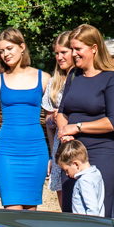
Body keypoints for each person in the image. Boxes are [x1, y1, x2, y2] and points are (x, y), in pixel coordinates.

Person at [54, 25, 114, 216]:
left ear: (94, 48)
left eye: (78, 49)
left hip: (100, 154)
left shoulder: (112, 78)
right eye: (72, 49)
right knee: (71, 212)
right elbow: (62, 111)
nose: (74, 54)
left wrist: (77, 128)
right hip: (71, 154)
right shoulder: (73, 75)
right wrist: (64, 133)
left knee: (95, 213)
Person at [0, 29, 48, 209]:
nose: (5, 54)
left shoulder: (44, 78)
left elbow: (52, 121)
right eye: (1, 51)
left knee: (30, 215)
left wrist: (54, 156)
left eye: (9, 48)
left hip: (36, 152)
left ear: (22, 47)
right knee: (12, 213)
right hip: (7, 152)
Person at [42, 30, 77, 195]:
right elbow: (47, 122)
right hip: (59, 146)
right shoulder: (53, 82)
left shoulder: (83, 79)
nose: (59, 57)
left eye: (64, 52)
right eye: (56, 53)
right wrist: (53, 119)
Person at [56, 139, 105, 217]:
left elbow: (92, 209)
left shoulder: (84, 181)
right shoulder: (96, 173)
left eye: (66, 170)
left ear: (76, 164)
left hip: (86, 225)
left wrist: (90, 225)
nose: (67, 174)